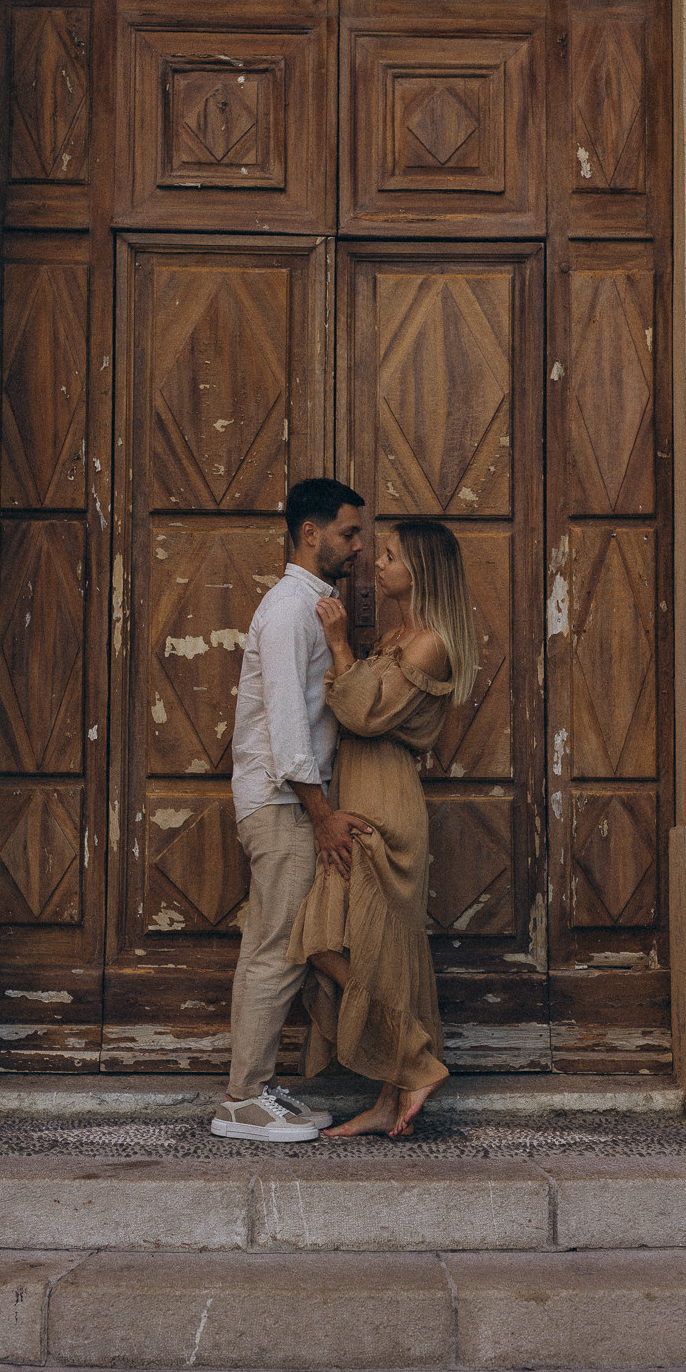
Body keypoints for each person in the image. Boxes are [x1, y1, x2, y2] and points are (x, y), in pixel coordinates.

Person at [287, 519, 478, 1138]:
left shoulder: (430, 643)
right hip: (359, 794)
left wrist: (341, 645)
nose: (377, 564)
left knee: (344, 943)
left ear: (418, 570)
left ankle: (415, 1065)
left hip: (387, 805)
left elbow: (363, 714)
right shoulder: (399, 634)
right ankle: (391, 1095)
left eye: (390, 556)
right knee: (346, 945)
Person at [211, 478, 372, 1143]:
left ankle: (258, 1087)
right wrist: (321, 812)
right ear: (311, 533)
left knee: (282, 948)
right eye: (348, 532)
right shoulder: (287, 611)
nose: (358, 547)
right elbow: (285, 724)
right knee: (275, 949)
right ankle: (242, 1100)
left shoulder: (316, 606)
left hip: (290, 803)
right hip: (283, 804)